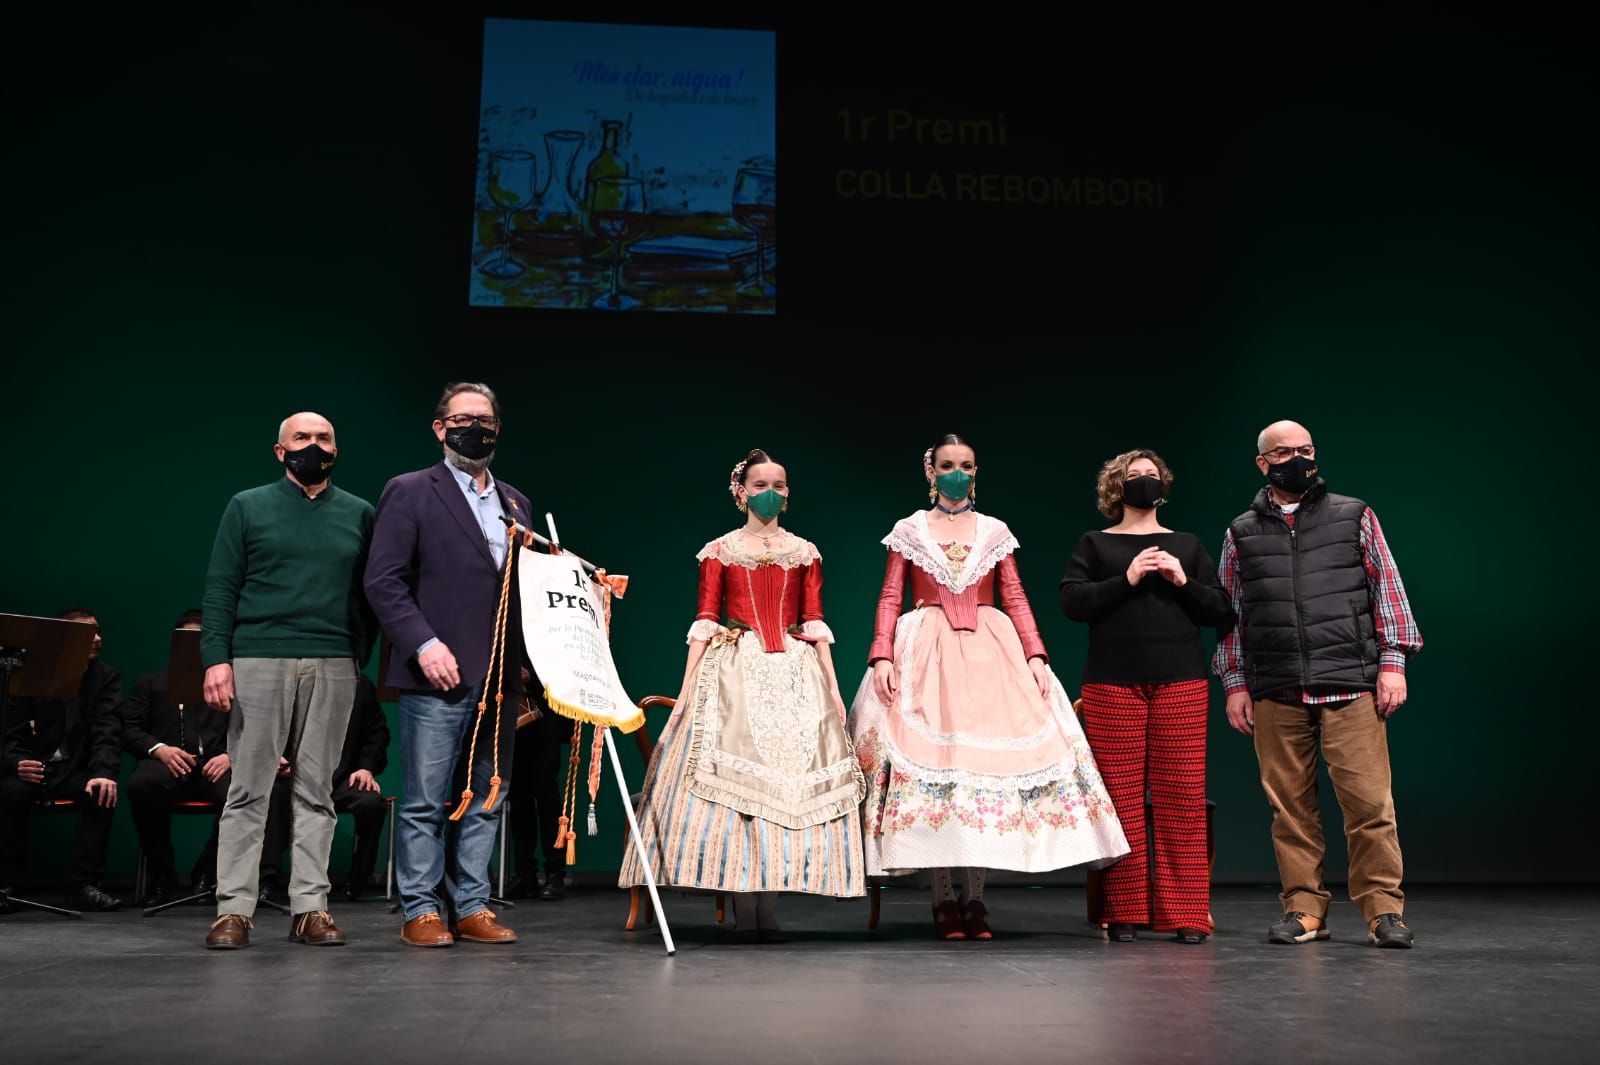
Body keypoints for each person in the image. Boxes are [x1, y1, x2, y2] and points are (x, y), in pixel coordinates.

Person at [850, 435, 1128, 940]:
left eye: (967, 466)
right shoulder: (910, 529)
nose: (958, 473)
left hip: (990, 650)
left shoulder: (994, 530)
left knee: (981, 774)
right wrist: (883, 654)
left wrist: (1036, 654)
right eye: (948, 465)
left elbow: (1015, 595)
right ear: (930, 472)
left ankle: (976, 900)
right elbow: (891, 594)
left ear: (976, 472)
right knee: (941, 772)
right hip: (926, 653)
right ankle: (942, 899)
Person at [620, 448, 866, 943]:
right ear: (742, 492)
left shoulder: (805, 551)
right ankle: (741, 905)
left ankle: (767, 908)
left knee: (784, 788)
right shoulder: (719, 550)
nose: (771, 492)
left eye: (779, 483)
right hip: (733, 670)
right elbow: (706, 623)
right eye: (760, 484)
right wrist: (688, 690)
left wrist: (834, 691)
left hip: (795, 674)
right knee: (736, 793)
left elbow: (815, 625)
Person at [1213, 420, 1422, 949]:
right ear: (1263, 464)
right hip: (1276, 687)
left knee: (1370, 805)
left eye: (1305, 450)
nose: (1298, 459)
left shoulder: (1354, 515)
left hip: (1350, 683)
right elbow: (1231, 613)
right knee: (1289, 810)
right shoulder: (1241, 532)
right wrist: (1235, 681)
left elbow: (1387, 588)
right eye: (1284, 452)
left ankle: (1383, 912)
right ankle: (1305, 909)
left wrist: (1392, 662)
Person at [365, 381, 531, 948]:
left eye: (485, 420)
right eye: (463, 419)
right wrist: (423, 644)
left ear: (497, 430)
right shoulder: (410, 491)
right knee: (423, 799)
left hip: (500, 677)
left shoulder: (516, 502)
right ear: (440, 428)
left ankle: (472, 906)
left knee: (488, 795)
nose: (475, 429)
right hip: (436, 672)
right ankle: (420, 908)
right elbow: (382, 580)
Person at [201, 411, 375, 949]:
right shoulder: (247, 506)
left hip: (332, 661)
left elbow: (369, 593)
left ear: (337, 450)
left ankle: (310, 908)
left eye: (324, 438)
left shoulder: (359, 513)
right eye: (301, 438)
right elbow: (221, 587)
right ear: (280, 451)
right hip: (258, 658)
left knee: (318, 792)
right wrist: (216, 658)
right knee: (249, 789)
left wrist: (354, 657)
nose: (313, 445)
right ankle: (233, 910)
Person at [1060, 450, 1231, 943]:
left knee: (1183, 798)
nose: (1143, 483)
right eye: (1133, 477)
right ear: (1117, 488)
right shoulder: (1096, 544)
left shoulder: (1187, 545)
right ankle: (1126, 910)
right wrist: (1128, 577)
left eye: (1151, 477)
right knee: (1122, 800)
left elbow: (1218, 608)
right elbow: (1072, 600)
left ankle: (1186, 914)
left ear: (1163, 486)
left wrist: (1182, 580)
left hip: (1180, 680)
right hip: (1113, 682)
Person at [0, 608, 122, 912]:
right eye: (88, 634)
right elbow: (10, 733)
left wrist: (103, 772)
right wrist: (17, 762)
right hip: (32, 770)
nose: (97, 639)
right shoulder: (28, 674)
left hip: (72, 771)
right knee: (10, 792)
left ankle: (83, 885)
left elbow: (107, 730)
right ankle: (5, 884)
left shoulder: (105, 677)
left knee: (100, 793)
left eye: (98, 631)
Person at [122, 608, 231, 907]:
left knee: (244, 792)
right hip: (168, 768)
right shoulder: (151, 684)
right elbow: (129, 729)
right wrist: (160, 749)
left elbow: (253, 728)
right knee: (141, 784)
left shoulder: (230, 684)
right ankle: (162, 875)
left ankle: (208, 871)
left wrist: (231, 755)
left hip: (215, 767)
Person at [260, 675, 390, 902]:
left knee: (372, 803)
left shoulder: (359, 683)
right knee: (275, 793)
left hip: (341, 776)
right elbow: (267, 723)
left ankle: (358, 879)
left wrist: (366, 768)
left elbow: (377, 731)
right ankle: (267, 878)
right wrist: (276, 758)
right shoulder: (291, 677)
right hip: (294, 773)